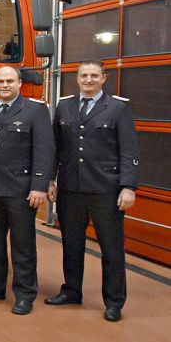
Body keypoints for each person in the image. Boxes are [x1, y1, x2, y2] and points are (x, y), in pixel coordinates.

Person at [47, 60, 140, 322]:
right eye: (83, 75)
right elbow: (56, 147)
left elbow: (129, 151)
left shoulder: (118, 108)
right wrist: (51, 180)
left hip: (106, 191)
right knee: (72, 245)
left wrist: (128, 187)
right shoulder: (64, 106)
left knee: (111, 249)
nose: (88, 80)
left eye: (93, 75)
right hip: (71, 189)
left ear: (103, 78)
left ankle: (113, 302)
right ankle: (72, 291)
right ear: (77, 79)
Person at [0, 66, 54, 315]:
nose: (4, 85)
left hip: (21, 190)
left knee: (23, 245)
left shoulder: (35, 110)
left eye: (9, 81)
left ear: (19, 83)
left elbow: (44, 150)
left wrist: (39, 185)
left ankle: (25, 294)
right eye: (0, 81)